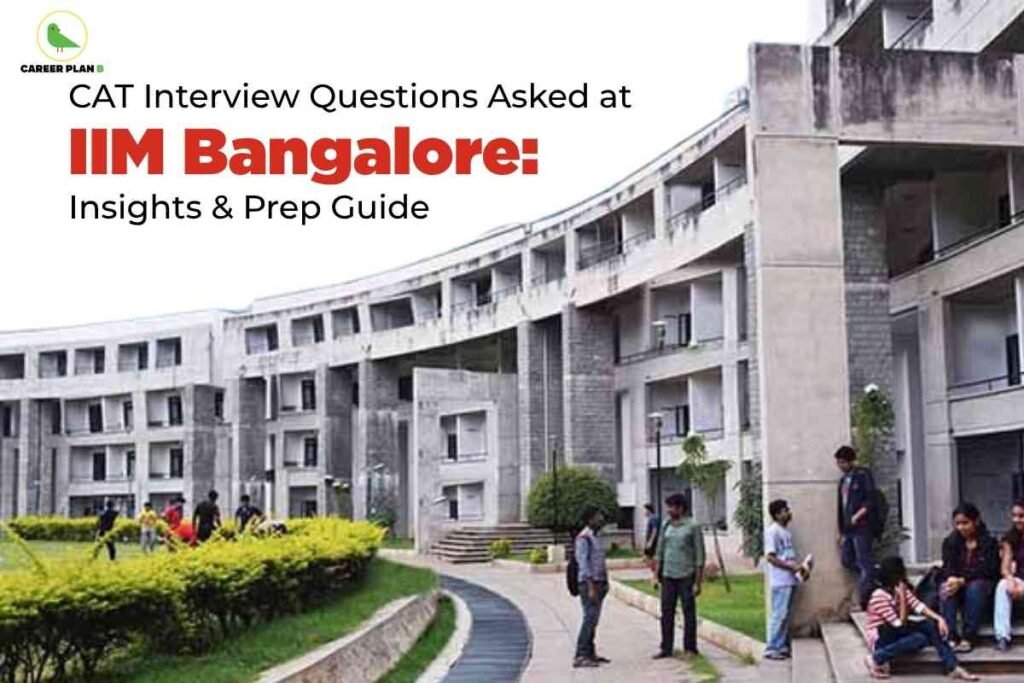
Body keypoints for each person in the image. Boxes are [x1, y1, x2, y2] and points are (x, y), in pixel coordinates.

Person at [863, 556, 978, 681]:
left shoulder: (898, 589)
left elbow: (918, 606)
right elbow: (898, 623)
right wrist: (902, 598)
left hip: (896, 630)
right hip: (882, 635)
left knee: (929, 625)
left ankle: (952, 666)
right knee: (919, 639)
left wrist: (939, 619)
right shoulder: (879, 596)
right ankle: (876, 657)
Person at [940, 502, 999, 653]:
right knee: (946, 588)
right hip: (958, 584)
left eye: (965, 523)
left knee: (975, 588)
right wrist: (952, 579)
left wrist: (963, 580)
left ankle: (969, 636)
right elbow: (947, 566)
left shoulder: (989, 543)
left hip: (981, 584)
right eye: (957, 524)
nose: (961, 528)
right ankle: (950, 635)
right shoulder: (950, 543)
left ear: (976, 521)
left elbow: (988, 570)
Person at [653, 492, 704, 660]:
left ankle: (690, 647)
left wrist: (698, 582)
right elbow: (660, 551)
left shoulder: (692, 526)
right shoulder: (666, 525)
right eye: (668, 506)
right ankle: (666, 647)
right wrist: (655, 574)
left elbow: (699, 556)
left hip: (686, 575)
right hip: (668, 575)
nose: (668, 510)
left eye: (672, 507)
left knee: (688, 612)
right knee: (666, 612)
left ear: (681, 508)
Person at [763, 499, 809, 661]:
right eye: (785, 510)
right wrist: (792, 568)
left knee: (785, 614)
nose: (789, 513)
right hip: (780, 581)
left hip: (790, 579)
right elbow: (771, 557)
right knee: (779, 614)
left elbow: (788, 557)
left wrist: (800, 570)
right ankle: (772, 647)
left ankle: (780, 645)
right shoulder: (773, 532)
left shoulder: (786, 532)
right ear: (777, 514)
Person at [836, 445, 877, 605]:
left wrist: (858, 515)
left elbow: (871, 499)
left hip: (862, 527)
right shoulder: (842, 481)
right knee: (847, 560)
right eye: (838, 462)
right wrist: (841, 531)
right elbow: (841, 507)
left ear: (851, 461)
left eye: (843, 462)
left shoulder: (862, 475)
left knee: (864, 561)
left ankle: (864, 600)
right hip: (848, 529)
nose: (840, 466)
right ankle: (873, 573)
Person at [573, 506, 610, 668]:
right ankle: (580, 655)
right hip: (589, 584)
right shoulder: (584, 538)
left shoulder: (597, 537)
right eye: (597, 516)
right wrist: (590, 586)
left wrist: (606, 581)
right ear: (590, 520)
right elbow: (584, 564)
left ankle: (590, 652)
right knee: (589, 618)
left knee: (594, 619)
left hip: (600, 582)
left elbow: (600, 561)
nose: (601, 519)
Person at [994, 500, 1024, 651]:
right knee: (1002, 586)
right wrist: (1010, 580)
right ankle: (1002, 636)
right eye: (1014, 516)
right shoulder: (1010, 538)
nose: (1016, 519)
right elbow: (1005, 567)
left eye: (1021, 516)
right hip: (1020, 580)